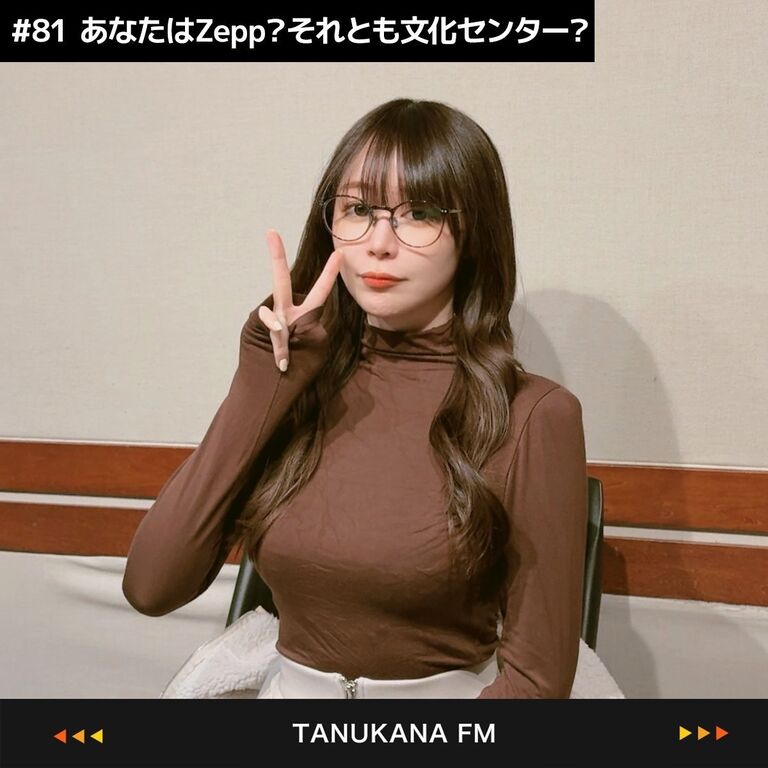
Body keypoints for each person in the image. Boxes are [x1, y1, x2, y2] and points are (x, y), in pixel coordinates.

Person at [122, 98, 588, 699]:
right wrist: (261, 385)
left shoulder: (533, 415)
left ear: (473, 232)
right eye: (359, 210)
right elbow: (152, 588)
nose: (379, 243)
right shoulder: (300, 385)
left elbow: (537, 685)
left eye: (420, 213)